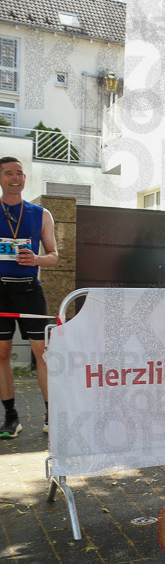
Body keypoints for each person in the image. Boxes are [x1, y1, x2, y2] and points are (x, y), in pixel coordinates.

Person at [0, 157, 59, 439]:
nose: (16, 178)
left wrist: (36, 258)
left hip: (29, 289)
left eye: (20, 173)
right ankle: (11, 417)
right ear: (0, 178)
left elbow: (54, 256)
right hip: (0, 292)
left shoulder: (40, 213)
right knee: (1, 353)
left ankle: (51, 415)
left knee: (43, 354)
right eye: (9, 173)